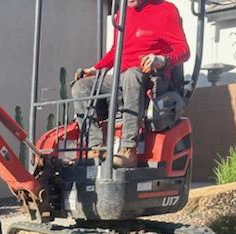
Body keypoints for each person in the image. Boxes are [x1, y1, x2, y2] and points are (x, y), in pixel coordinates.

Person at [72, 0, 190, 168]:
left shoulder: (166, 10)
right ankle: (96, 147)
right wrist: (95, 69)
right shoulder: (121, 15)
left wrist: (161, 60)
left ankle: (129, 149)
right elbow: (116, 50)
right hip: (124, 78)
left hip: (155, 78)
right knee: (81, 86)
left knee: (131, 75)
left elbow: (183, 50)